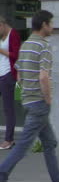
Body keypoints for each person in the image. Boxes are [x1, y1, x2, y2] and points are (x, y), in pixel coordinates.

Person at [0, 10, 59, 182]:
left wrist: (24, 96)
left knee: (49, 143)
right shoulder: (43, 46)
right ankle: (1, 176)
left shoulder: (26, 45)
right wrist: (47, 97)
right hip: (39, 103)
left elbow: (18, 72)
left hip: (28, 101)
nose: (53, 27)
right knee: (23, 144)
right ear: (44, 25)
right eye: (51, 23)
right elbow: (44, 76)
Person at [0, 16, 21, 150]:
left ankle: (9, 139)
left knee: (8, 109)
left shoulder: (13, 34)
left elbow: (16, 55)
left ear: (2, 25)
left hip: (8, 75)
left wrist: (1, 50)